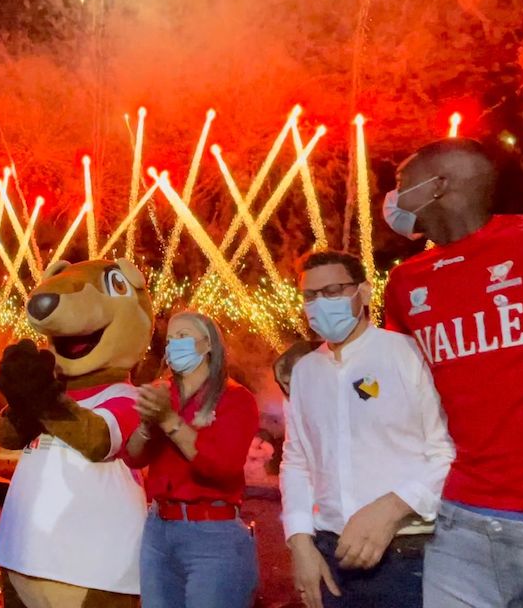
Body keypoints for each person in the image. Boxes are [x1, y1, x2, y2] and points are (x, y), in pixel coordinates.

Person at [383, 138, 523, 607]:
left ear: (438, 186)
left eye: (401, 185)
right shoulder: (405, 283)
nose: (393, 198)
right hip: (459, 521)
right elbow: (402, 394)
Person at [281, 250, 454, 608]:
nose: (319, 304)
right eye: (311, 296)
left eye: (332, 291)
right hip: (330, 557)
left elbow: (447, 452)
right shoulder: (306, 372)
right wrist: (299, 541)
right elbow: (297, 462)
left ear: (364, 292)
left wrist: (392, 508)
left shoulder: (408, 354)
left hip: (407, 556)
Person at [124, 310, 260, 608]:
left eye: (183, 337)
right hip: (158, 530)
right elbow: (133, 457)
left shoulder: (236, 399)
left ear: (208, 344)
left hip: (213, 536)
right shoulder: (162, 393)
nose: (174, 345)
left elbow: (221, 467)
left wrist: (170, 421)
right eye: (170, 339)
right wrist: (147, 426)